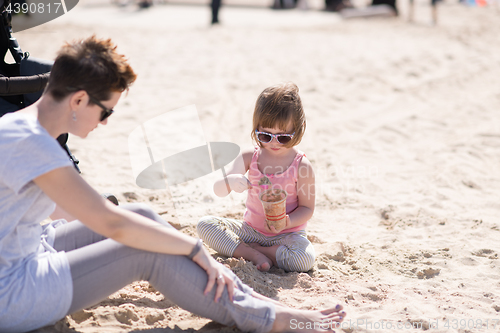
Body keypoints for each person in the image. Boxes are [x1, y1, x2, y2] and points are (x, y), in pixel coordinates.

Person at [0, 36, 346, 332]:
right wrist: (194, 250)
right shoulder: (34, 145)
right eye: (106, 111)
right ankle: (271, 318)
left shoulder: (17, 127)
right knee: (145, 249)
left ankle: (247, 296)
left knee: (143, 215)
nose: (104, 123)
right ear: (78, 100)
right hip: (13, 289)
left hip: (29, 247)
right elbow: (110, 222)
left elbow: (83, 212)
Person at [197, 82, 317, 273]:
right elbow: (218, 190)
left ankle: (255, 251)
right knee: (205, 225)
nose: (274, 143)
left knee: (304, 259)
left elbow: (307, 208)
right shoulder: (249, 157)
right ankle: (255, 253)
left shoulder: (301, 166)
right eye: (265, 136)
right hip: (251, 231)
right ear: (256, 128)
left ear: (299, 128)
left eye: (283, 137)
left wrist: (286, 222)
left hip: (286, 236)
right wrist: (231, 181)